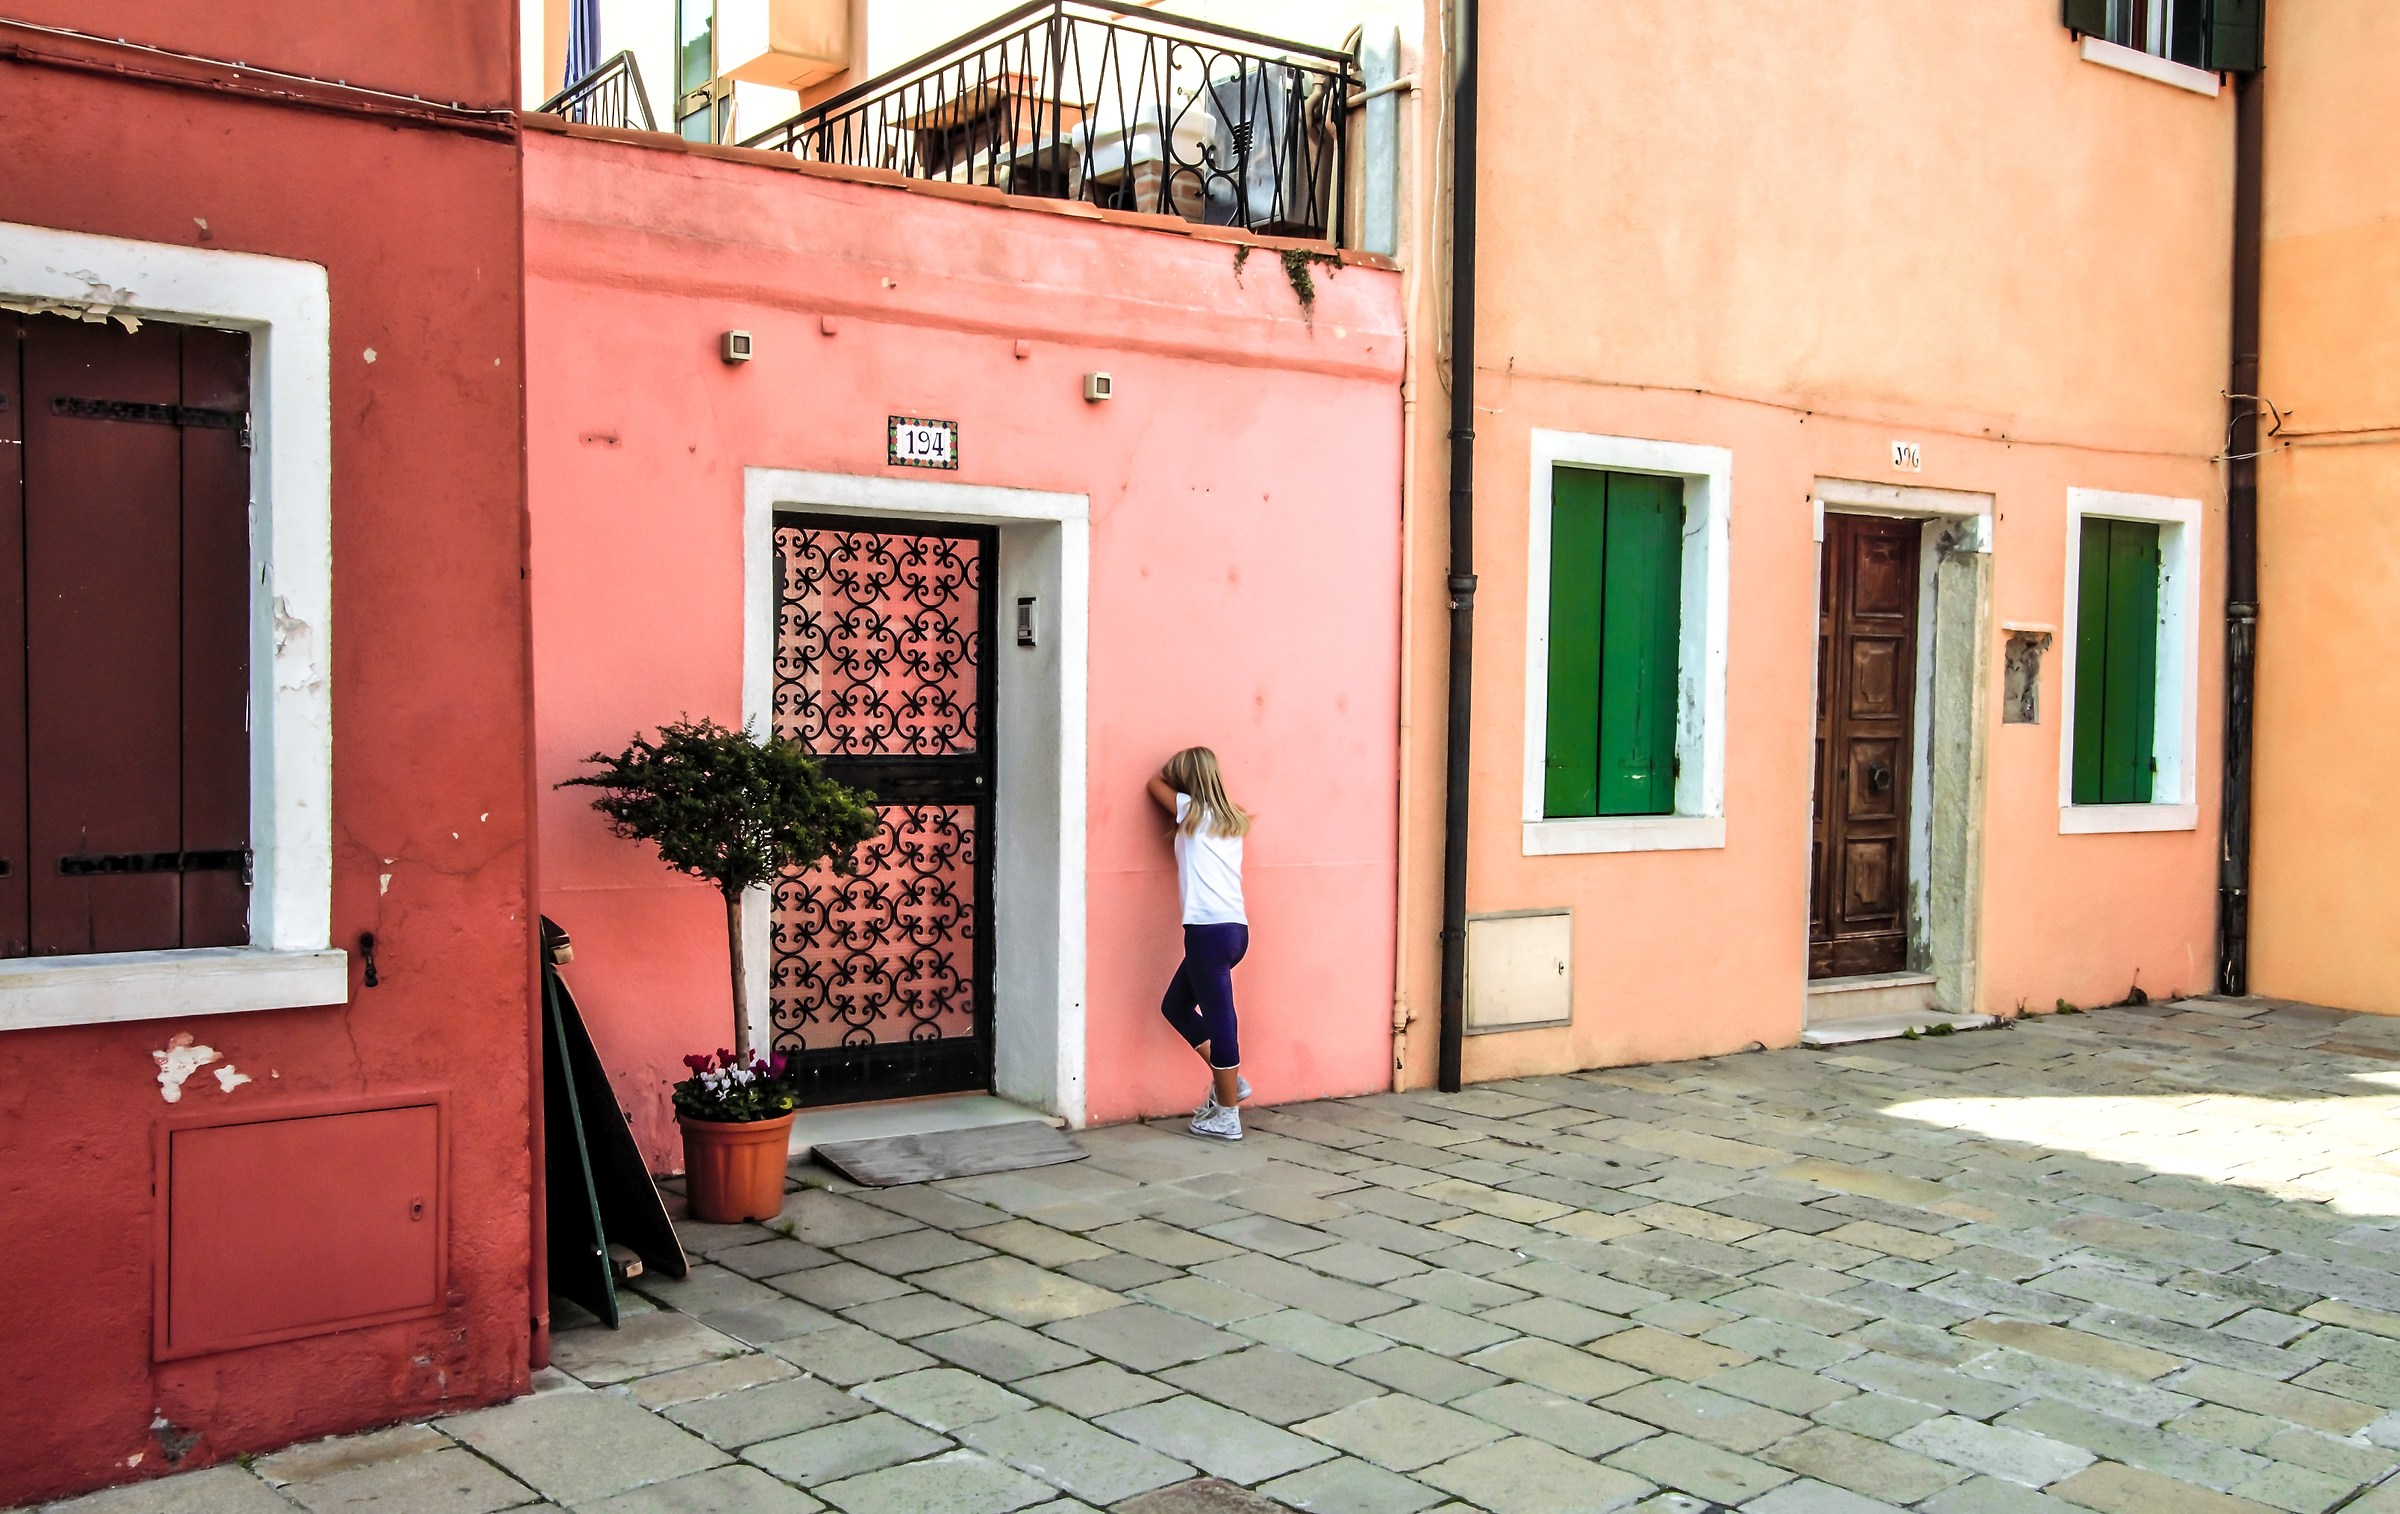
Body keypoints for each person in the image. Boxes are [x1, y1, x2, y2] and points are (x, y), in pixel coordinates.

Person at [1147, 746, 1254, 1140]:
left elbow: (1151, 784)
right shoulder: (1232, 818)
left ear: (1187, 783)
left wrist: (1176, 781)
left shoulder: (1191, 811)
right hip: (1234, 930)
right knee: (1175, 1005)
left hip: (1207, 933)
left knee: (1222, 1019)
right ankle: (1232, 1083)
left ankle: (1227, 1117)